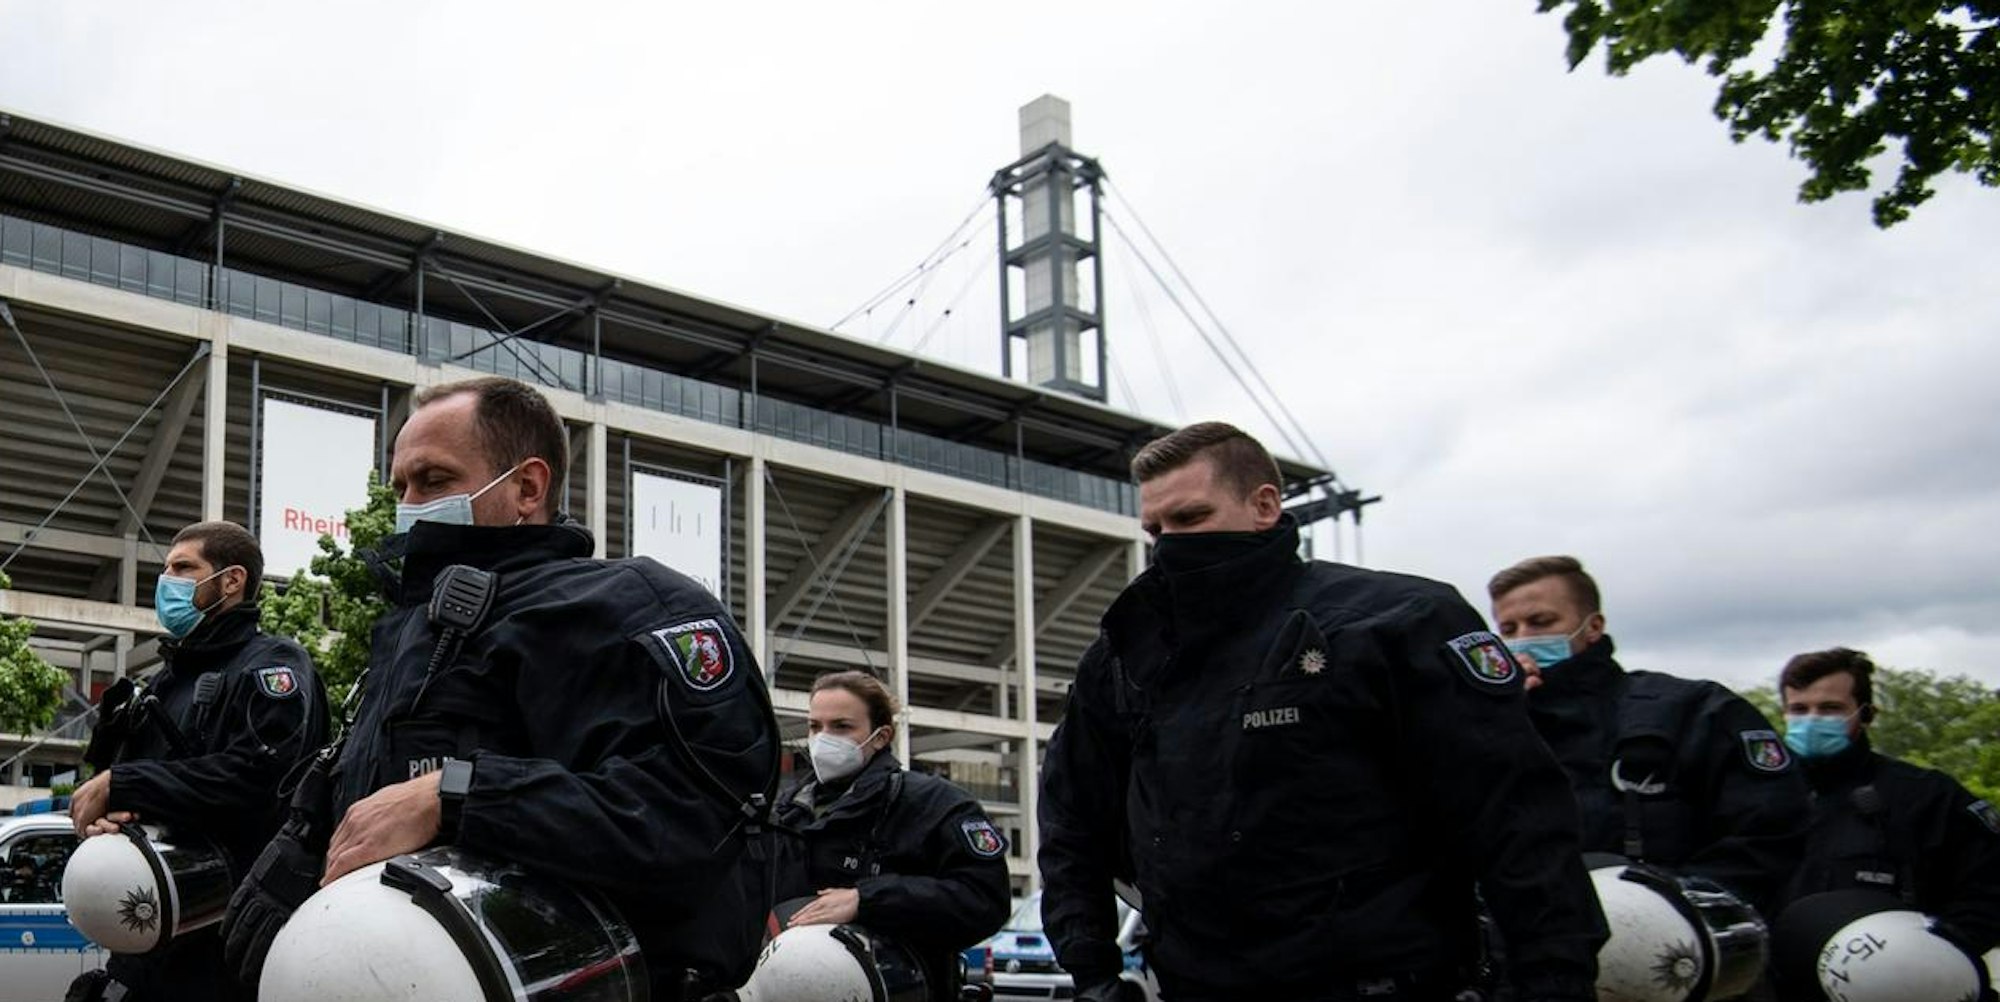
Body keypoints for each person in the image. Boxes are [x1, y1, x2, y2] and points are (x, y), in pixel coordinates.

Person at [221, 376, 782, 1000]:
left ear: (527, 486)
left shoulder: (628, 605)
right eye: (401, 484)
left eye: (433, 481)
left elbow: (697, 815)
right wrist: (303, 844)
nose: (409, 503)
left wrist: (457, 795)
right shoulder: (417, 630)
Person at [1040, 422, 1606, 1002]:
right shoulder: (1126, 656)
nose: (1171, 545)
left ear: (1264, 505)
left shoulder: (1400, 621)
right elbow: (1071, 819)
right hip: (1196, 984)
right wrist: (1093, 972)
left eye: (1190, 519)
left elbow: (1514, 816)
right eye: (1156, 529)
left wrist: (1554, 976)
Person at [67, 520, 328, 1000]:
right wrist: (111, 818)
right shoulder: (164, 681)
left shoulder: (273, 666)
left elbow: (259, 779)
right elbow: (130, 788)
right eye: (166, 568)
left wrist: (125, 784)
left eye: (184, 567)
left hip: (224, 946)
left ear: (232, 580)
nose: (166, 581)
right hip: (146, 935)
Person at [1487, 555, 1812, 917]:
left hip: (1670, 945)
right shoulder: (1494, 723)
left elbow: (1771, 830)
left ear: (1592, 627)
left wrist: (1675, 906)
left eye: (1541, 622)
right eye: (1509, 629)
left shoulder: (1693, 710)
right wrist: (1496, 716)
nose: (1523, 640)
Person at [768, 671, 1011, 1001]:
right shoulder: (784, 811)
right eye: (815, 726)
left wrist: (868, 900)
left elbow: (984, 901)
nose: (822, 739)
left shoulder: (935, 804)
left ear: (881, 736)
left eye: (841, 726)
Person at [1774, 647, 2000, 989]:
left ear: (1866, 714)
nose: (1812, 720)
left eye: (1830, 709)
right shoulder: (1754, 796)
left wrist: (1938, 952)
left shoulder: (1927, 796)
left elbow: (1989, 888)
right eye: (1799, 709)